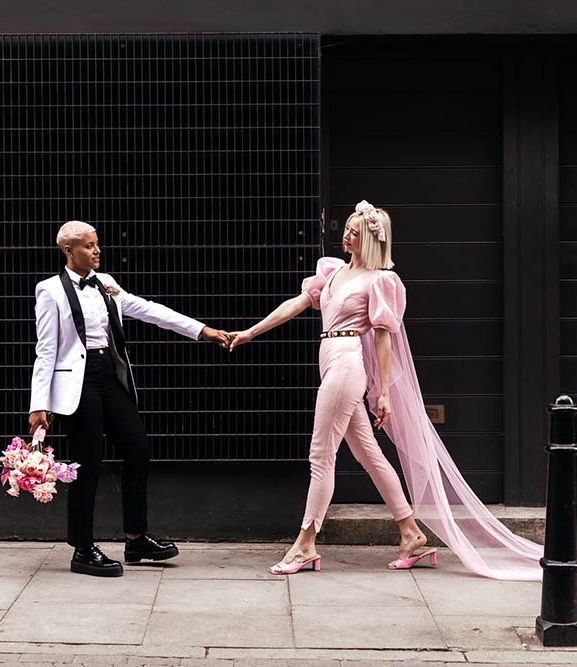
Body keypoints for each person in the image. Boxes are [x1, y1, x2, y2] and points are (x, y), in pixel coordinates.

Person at [229, 201, 542, 580]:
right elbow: (294, 304)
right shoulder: (332, 271)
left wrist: (385, 393)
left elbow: (383, 339)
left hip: (346, 364)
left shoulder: (380, 281)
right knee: (370, 455)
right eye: (346, 228)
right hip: (331, 359)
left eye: (355, 232)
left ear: (372, 240)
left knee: (320, 456)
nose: (346, 235)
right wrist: (249, 332)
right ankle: (411, 533)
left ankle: (306, 544)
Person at [29, 220, 230, 577]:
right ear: (68, 251)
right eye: (88, 246)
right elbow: (46, 350)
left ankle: (136, 538)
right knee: (86, 464)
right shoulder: (50, 290)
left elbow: (150, 310)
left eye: (96, 244)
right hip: (79, 383)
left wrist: (202, 331)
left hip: (112, 376)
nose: (96, 250)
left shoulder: (107, 284)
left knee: (137, 449)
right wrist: (38, 404)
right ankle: (82, 548)